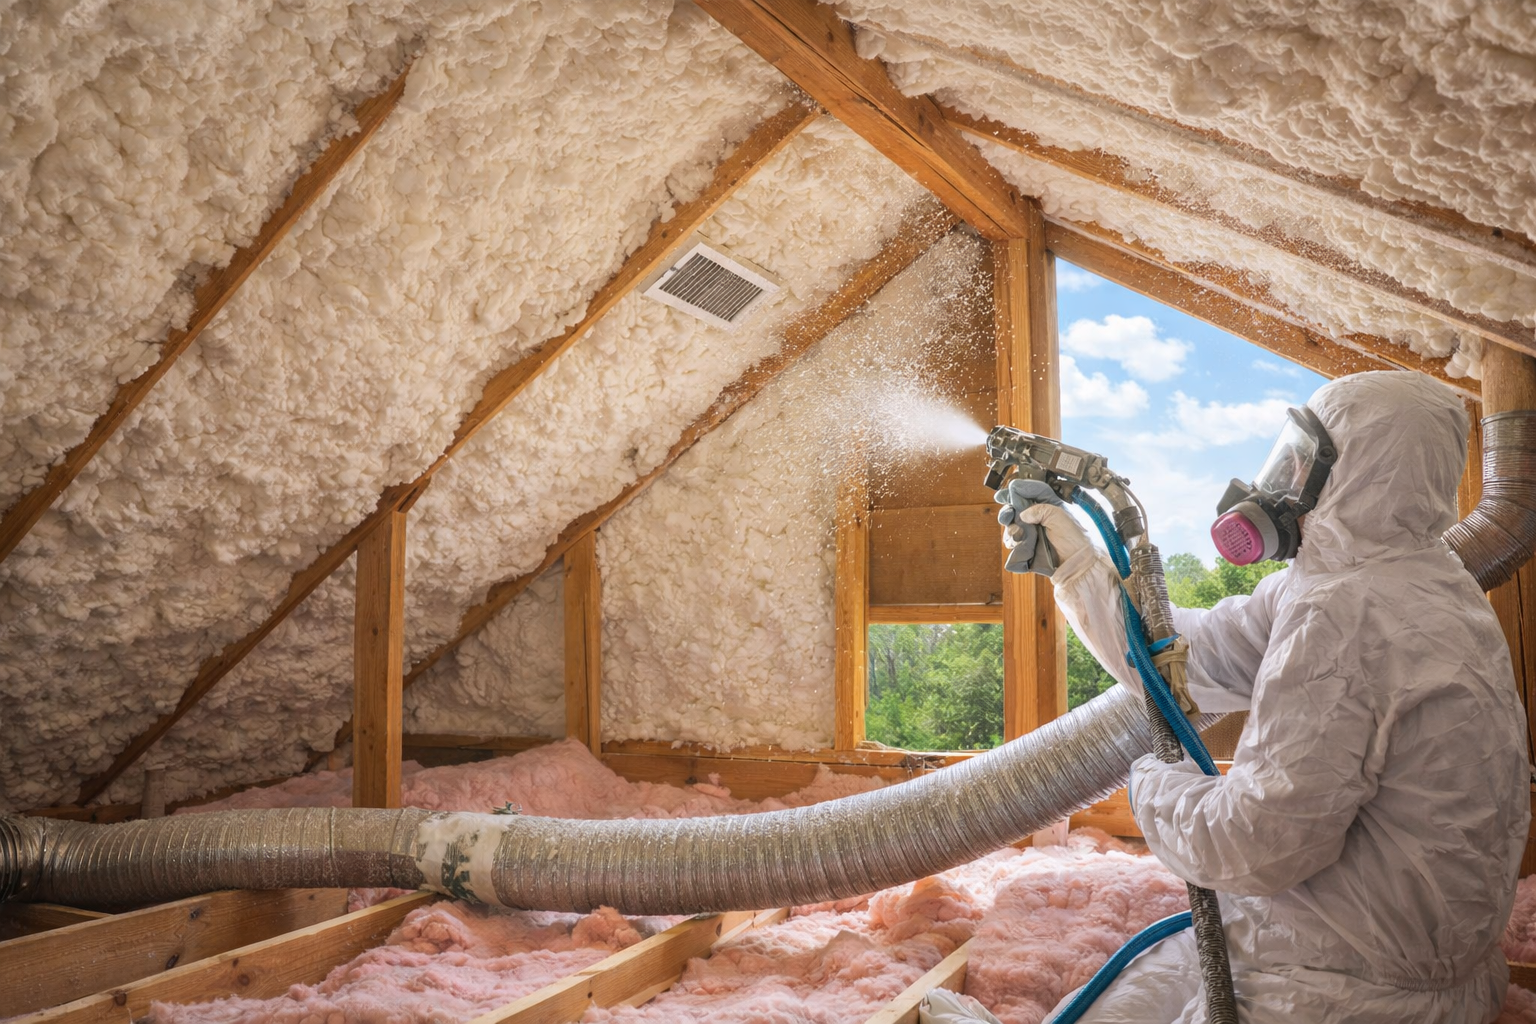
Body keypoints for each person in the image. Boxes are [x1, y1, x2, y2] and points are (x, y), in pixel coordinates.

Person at [996, 371, 1530, 1023]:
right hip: (1388, 960)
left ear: (1352, 474)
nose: (1277, 482)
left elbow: (1255, 845)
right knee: (1128, 989)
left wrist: (1155, 785)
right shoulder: (1415, 585)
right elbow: (1182, 658)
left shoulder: (1343, 611)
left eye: (1298, 463)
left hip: (1338, 995)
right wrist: (1078, 564)